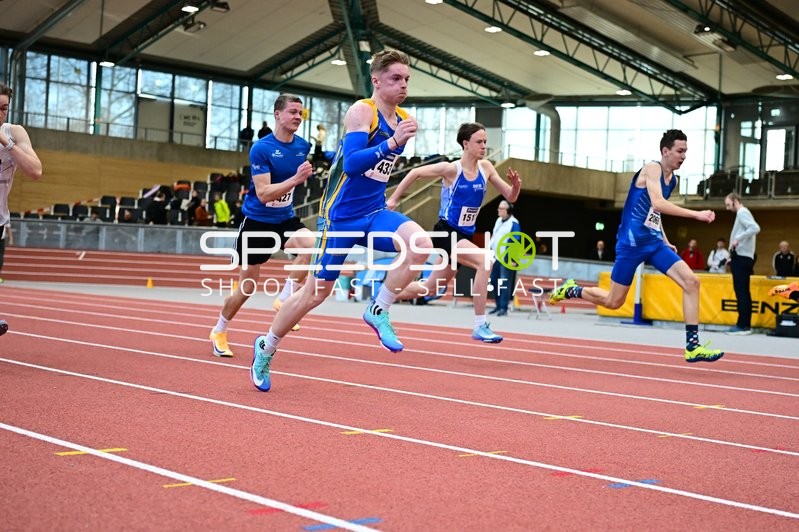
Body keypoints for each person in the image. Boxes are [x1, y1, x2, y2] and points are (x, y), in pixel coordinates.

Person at [250, 49, 431, 392]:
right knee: (314, 295)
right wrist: (393, 142)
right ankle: (267, 346)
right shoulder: (363, 111)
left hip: (374, 212)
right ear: (376, 80)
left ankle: (379, 309)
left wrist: (397, 139)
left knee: (419, 243)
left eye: (407, 79)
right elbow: (351, 165)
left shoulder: (404, 117)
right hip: (340, 218)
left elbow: (379, 171)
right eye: (395, 78)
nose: (403, 84)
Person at [550, 129, 723, 363]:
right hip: (631, 244)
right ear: (665, 151)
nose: (683, 156)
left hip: (652, 243)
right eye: (680, 151)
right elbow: (658, 203)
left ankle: (692, 346)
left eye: (686, 152)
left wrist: (664, 239)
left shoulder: (672, 180)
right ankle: (572, 289)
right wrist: (697, 214)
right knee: (614, 301)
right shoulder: (652, 168)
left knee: (692, 282)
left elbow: (655, 212)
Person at [386, 122, 521, 341]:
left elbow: (511, 197)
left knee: (430, 288)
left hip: (464, 236)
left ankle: (382, 299)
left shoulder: (486, 168)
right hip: (447, 232)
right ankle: (480, 324)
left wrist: (515, 186)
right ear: (465, 144)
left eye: (485, 142)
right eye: (479, 142)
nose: (484, 146)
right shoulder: (451, 169)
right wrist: (393, 199)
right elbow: (415, 172)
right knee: (485, 261)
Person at [209, 93, 315, 358]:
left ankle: (285, 298)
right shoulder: (261, 148)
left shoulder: (303, 146)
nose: (297, 117)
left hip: (284, 219)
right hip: (257, 223)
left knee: (312, 246)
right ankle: (220, 329)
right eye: (292, 112)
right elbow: (265, 192)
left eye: (300, 113)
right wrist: (295, 180)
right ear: (278, 115)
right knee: (247, 288)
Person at [0, 82, 43, 331]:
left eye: (4, 108)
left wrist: (6, 142)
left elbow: (35, 171)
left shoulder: (14, 132)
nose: (0, 113)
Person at [724, 192, 761, 335]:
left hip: (742, 259)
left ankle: (743, 326)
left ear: (735, 201)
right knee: (743, 292)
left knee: (742, 293)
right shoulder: (742, 213)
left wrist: (737, 238)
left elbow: (755, 228)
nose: (727, 208)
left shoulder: (742, 212)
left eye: (728, 204)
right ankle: (744, 325)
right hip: (739, 257)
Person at [488, 200, 521, 316]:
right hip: (495, 257)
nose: (498, 210)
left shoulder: (514, 223)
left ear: (508, 211)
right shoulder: (498, 221)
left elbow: (516, 241)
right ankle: (497, 306)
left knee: (504, 283)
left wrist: (512, 259)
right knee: (494, 281)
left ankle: (503, 307)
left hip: (506, 259)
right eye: (499, 208)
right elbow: (494, 236)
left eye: (501, 208)